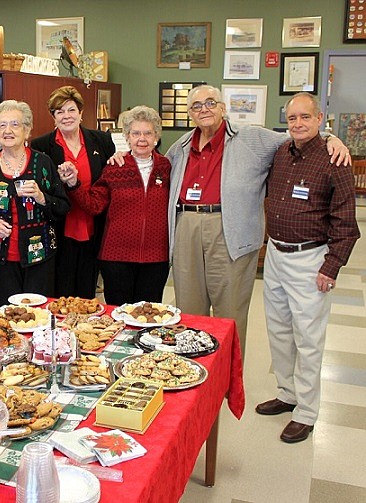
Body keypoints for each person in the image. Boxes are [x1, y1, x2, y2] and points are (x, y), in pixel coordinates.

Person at [165, 84, 350, 358]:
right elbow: (156, 167)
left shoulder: (251, 138)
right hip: (187, 226)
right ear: (190, 113)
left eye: (210, 103)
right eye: (196, 105)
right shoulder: (180, 147)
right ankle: (195, 370)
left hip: (230, 230)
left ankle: (229, 375)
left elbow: (297, 139)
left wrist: (329, 139)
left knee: (230, 312)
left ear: (223, 108)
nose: (204, 109)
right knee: (190, 309)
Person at [255, 93, 359, 443]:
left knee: (309, 338)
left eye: (305, 117)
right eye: (292, 118)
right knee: (279, 331)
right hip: (276, 256)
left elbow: (347, 222)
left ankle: (308, 411)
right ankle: (287, 394)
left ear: (319, 119)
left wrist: (331, 267)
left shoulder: (334, 159)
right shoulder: (281, 152)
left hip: (310, 260)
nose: (298, 124)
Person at [59, 106, 171, 305]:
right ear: (127, 137)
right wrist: (74, 184)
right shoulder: (115, 167)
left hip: (156, 258)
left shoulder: (168, 167)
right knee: (119, 318)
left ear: (156, 137)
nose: (142, 139)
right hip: (116, 258)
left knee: (149, 317)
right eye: (136, 133)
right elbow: (94, 205)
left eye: (148, 133)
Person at [31, 86, 116, 299]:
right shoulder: (41, 146)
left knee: (87, 292)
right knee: (61, 293)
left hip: (93, 225)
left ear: (80, 113)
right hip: (60, 227)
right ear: (53, 117)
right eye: (59, 112)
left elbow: (110, 178)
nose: (66, 116)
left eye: (71, 110)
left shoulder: (102, 141)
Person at [0, 100, 69, 307]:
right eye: (2, 125)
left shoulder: (42, 163)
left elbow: (63, 206)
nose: (8, 131)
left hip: (40, 257)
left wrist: (41, 197)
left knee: (38, 317)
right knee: (4, 320)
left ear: (27, 130)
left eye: (15, 124)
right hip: (0, 258)